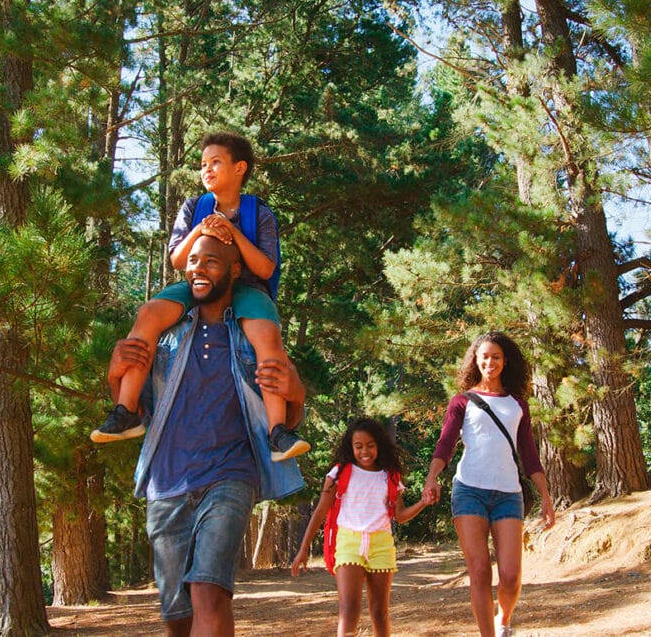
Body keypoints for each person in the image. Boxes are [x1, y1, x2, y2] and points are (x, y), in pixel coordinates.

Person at [108, 233, 306, 636]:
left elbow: (287, 414)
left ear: (234, 270)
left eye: (211, 261)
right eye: (193, 260)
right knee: (177, 617)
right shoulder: (165, 332)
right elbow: (137, 411)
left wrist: (297, 392)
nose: (198, 268)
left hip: (231, 474)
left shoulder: (254, 332)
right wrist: (115, 375)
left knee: (209, 591)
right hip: (166, 480)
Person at [93, 131, 309, 463]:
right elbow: (178, 260)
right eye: (203, 164)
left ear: (240, 168)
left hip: (247, 288)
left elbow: (266, 268)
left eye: (216, 162)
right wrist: (202, 228)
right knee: (149, 313)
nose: (206, 169)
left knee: (266, 335)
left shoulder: (259, 213)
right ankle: (126, 410)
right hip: (199, 282)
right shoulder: (193, 207)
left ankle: (277, 430)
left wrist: (232, 231)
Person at [422, 331, 557, 637]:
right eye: (484, 356)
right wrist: (432, 477)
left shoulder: (518, 405)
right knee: (480, 571)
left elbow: (530, 456)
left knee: (510, 576)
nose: (490, 362)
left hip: (509, 495)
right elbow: (445, 445)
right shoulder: (462, 401)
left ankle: (503, 621)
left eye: (496, 357)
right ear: (476, 359)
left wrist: (546, 497)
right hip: (469, 491)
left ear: (505, 361)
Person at [291, 418, 429, 637]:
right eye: (359, 446)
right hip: (349, 543)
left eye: (370, 445)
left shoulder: (390, 476)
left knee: (380, 612)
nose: (365, 451)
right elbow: (320, 511)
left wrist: (423, 502)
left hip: (382, 546)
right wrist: (304, 548)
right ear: (351, 447)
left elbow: (400, 515)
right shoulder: (339, 473)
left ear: (379, 445)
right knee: (349, 610)